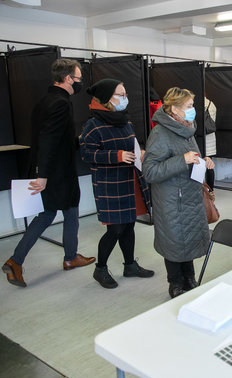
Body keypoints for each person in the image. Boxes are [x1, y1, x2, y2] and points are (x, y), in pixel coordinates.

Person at [2, 58, 95, 287]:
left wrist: (77, 140)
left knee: (52, 213)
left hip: (51, 170)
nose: (79, 82)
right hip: (57, 173)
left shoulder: (45, 101)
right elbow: (48, 139)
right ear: (67, 79)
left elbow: (55, 136)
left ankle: (22, 260)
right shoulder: (61, 103)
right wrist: (42, 176)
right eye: (78, 78)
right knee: (65, 210)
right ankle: (63, 258)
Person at [80, 78, 154, 289]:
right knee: (115, 229)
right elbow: (86, 154)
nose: (125, 99)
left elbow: (132, 144)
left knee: (129, 225)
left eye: (125, 95)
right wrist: (117, 155)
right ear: (106, 98)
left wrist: (139, 152)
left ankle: (130, 265)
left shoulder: (125, 121)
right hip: (109, 185)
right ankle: (100, 269)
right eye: (120, 95)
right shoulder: (93, 125)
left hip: (130, 182)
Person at [143, 87, 215, 298]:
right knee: (174, 241)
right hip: (171, 199)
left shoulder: (187, 129)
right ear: (174, 109)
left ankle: (189, 278)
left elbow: (192, 157)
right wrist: (181, 160)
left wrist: (203, 161)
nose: (193, 110)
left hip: (190, 195)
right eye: (189, 106)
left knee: (188, 239)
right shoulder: (160, 134)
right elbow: (150, 171)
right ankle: (174, 282)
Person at [204, 95, 217, 189]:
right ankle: (211, 190)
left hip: (201, 139)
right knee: (209, 167)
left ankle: (203, 190)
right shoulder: (211, 104)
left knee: (201, 166)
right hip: (210, 140)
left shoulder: (198, 105)